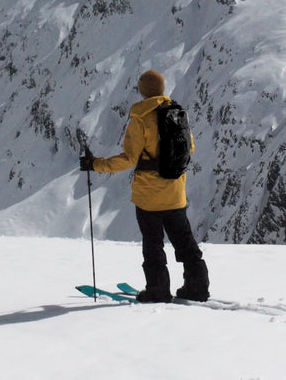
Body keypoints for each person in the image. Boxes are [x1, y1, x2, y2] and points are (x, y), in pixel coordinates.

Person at [80, 69, 210, 302]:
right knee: (185, 243)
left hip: (149, 198)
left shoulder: (140, 120)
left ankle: (158, 291)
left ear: (142, 91)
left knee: (153, 247)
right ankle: (197, 287)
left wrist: (95, 164)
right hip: (176, 193)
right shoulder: (178, 114)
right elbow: (189, 149)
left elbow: (129, 159)